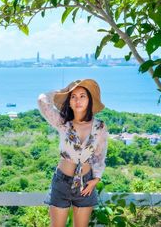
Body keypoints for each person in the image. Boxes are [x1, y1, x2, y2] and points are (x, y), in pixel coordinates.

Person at [37, 79, 109, 227]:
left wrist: (96, 179)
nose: (78, 100)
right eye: (73, 96)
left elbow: (99, 156)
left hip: (86, 184)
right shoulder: (62, 123)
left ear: (89, 100)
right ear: (69, 101)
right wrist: (62, 91)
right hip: (62, 182)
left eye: (82, 96)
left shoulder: (99, 127)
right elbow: (42, 101)